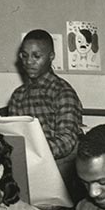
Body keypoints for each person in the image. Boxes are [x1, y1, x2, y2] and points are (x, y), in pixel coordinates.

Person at [8, 29, 84, 196]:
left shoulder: (62, 92)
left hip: (60, 163)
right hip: (28, 163)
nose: (29, 62)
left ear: (51, 57)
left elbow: (67, 140)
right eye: (24, 55)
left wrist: (35, 153)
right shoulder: (18, 95)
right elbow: (14, 136)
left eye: (36, 56)